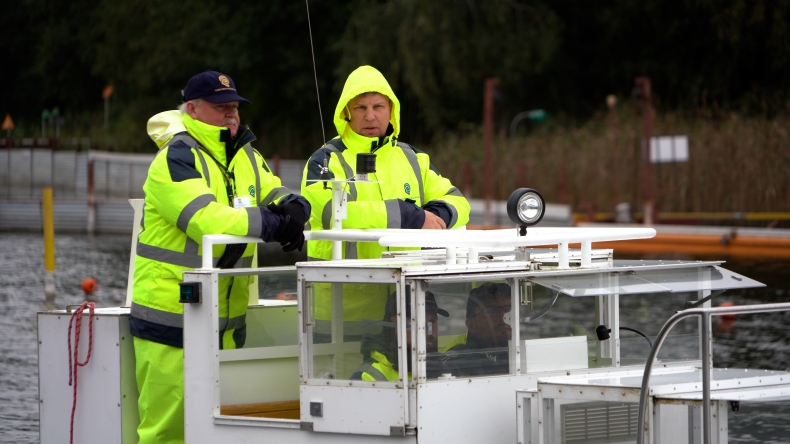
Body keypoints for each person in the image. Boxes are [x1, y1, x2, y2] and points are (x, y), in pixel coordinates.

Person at [130, 70, 310, 444]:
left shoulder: (245, 154)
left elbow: (273, 190)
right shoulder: (175, 158)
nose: (231, 114)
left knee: (219, 431)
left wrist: (294, 207)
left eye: (235, 107)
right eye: (220, 107)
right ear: (193, 110)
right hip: (171, 323)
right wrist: (274, 225)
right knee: (167, 432)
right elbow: (206, 220)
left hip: (225, 327)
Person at [301, 65, 470, 331]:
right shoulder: (325, 160)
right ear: (346, 112)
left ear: (391, 111)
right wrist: (410, 216)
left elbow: (457, 200)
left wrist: (435, 216)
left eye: (378, 107)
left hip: (405, 304)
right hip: (342, 311)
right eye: (360, 108)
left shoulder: (413, 158)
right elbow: (330, 213)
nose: (370, 116)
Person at [351, 291, 449, 381]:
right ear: (390, 328)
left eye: (432, 322)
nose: (428, 332)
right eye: (414, 323)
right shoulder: (366, 378)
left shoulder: (444, 367)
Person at [445, 283, 512, 376]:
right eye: (491, 311)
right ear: (471, 325)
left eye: (508, 310)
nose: (503, 316)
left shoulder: (528, 356)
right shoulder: (458, 363)